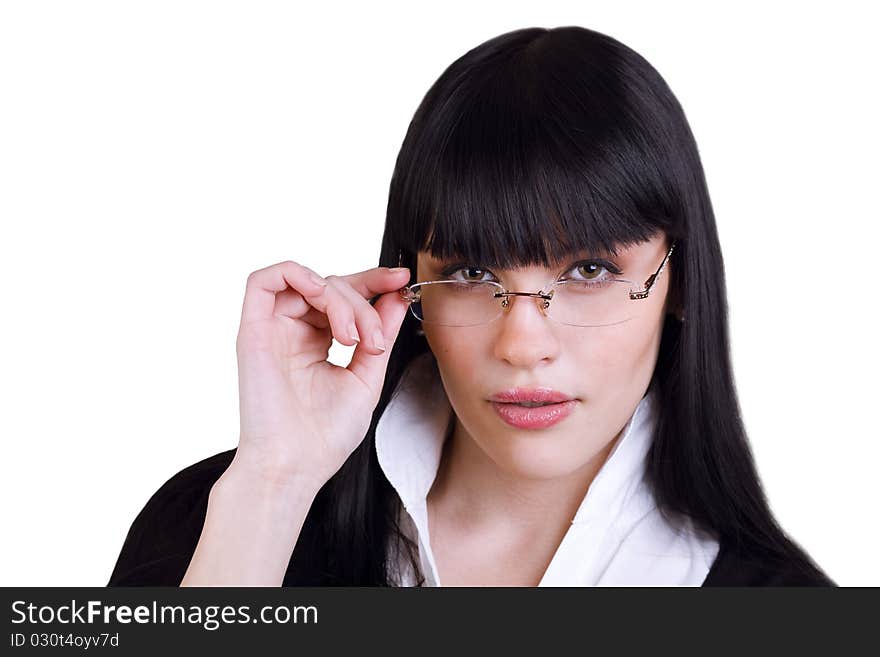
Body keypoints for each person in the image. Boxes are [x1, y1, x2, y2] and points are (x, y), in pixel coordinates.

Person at [108, 25, 834, 586]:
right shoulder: (220, 522)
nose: (522, 343)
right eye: (472, 271)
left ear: (677, 285)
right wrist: (276, 482)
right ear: (407, 281)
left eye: (588, 269)